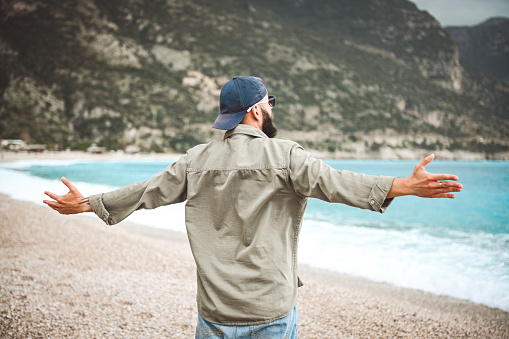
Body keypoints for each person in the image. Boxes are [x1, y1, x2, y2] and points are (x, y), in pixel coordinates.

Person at [43, 76, 463, 339]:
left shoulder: (196, 159)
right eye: (271, 102)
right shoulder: (286, 155)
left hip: (215, 308)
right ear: (257, 110)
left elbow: (145, 192)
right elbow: (337, 184)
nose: (272, 109)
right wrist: (403, 186)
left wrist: (88, 203)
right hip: (270, 308)